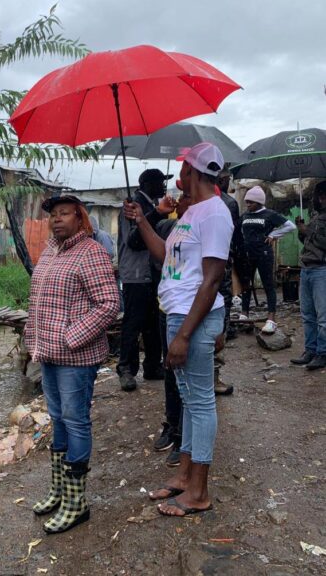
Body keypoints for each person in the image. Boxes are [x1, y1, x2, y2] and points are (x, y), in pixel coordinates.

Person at [124, 142, 233, 517]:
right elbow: (164, 255)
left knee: (200, 402)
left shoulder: (214, 214)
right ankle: (185, 476)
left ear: (194, 172)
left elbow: (213, 278)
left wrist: (185, 334)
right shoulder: (191, 213)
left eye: (183, 167)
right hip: (178, 314)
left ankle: (199, 491)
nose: (178, 174)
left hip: (193, 319)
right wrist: (141, 219)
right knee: (188, 399)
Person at [24, 195, 120, 534]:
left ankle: (77, 503)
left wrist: (71, 336)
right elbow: (39, 300)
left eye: (65, 213)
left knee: (75, 421)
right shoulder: (50, 250)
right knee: (58, 420)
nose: (57, 219)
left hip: (76, 357)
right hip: (48, 352)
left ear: (80, 218)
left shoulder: (92, 252)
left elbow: (109, 304)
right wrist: (34, 339)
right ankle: (60, 491)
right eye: (53, 215)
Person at [116, 168, 173, 391]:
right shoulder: (132, 206)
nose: (163, 186)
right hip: (136, 274)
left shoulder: (151, 206)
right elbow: (135, 241)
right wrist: (156, 214)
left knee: (153, 321)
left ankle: (151, 365)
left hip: (153, 272)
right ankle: (126, 369)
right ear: (147, 184)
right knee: (133, 322)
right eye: (160, 182)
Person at [153, 191, 193, 467]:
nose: (181, 200)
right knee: (170, 371)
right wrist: (154, 214)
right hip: (166, 307)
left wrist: (222, 325)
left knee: (190, 380)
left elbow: (219, 273)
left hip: (194, 311)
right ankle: (173, 427)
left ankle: (185, 440)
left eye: (187, 195)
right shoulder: (168, 225)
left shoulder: (208, 224)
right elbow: (135, 240)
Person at [238, 186, 296, 334]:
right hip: (247, 254)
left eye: (251, 201)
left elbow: (290, 226)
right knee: (246, 284)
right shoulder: (244, 216)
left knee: (268, 285)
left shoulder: (269, 214)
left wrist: (273, 235)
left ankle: (271, 319)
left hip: (263, 254)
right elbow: (237, 231)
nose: (248, 204)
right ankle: (244, 314)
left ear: (259, 202)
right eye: (247, 201)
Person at [291, 181, 326, 370]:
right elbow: (307, 241)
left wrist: (308, 231)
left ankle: (322, 353)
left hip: (322, 269)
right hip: (307, 268)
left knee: (323, 316)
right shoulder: (315, 215)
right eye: (319, 195)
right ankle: (310, 350)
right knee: (307, 314)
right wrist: (301, 230)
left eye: (323, 195)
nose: (321, 199)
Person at [213, 167, 239, 396]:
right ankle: (214, 376)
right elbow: (234, 239)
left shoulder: (193, 200)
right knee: (220, 321)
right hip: (220, 268)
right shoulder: (227, 203)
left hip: (203, 268)